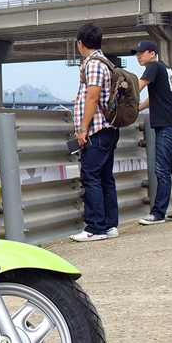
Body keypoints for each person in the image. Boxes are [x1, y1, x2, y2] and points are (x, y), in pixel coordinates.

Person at [70, 22, 120, 242]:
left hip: (97, 130)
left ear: (81, 43)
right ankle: (109, 225)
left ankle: (95, 227)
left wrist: (83, 129)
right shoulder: (106, 63)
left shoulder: (93, 65)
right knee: (105, 178)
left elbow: (92, 98)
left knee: (90, 177)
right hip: (109, 130)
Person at [133, 39, 172, 225]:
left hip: (166, 127)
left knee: (162, 170)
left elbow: (137, 88)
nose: (138, 56)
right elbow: (155, 97)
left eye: (141, 52)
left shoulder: (153, 67)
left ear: (152, 53)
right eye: (137, 53)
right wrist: (137, 109)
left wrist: (122, 96)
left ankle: (158, 213)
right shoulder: (164, 68)